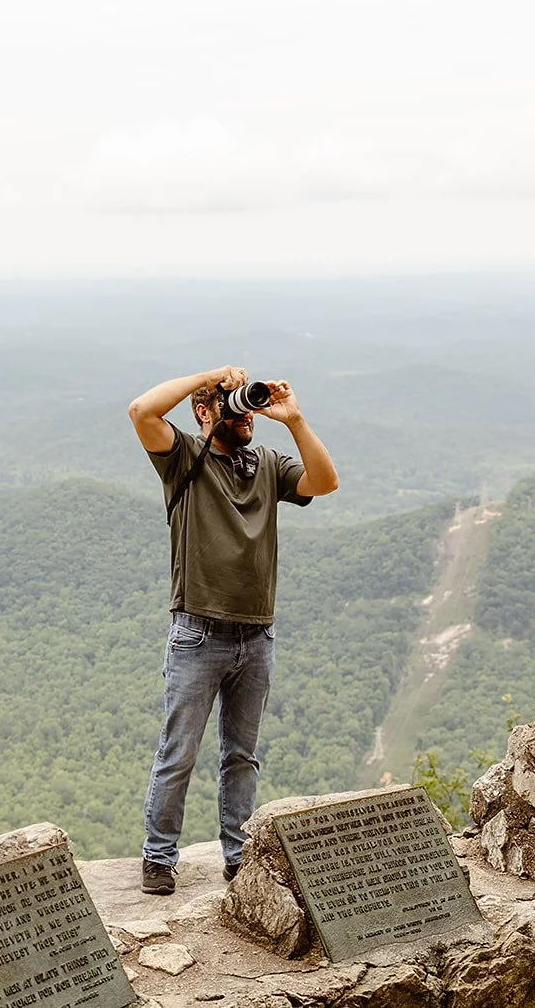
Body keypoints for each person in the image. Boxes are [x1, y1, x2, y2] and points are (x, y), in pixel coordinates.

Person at [127, 365, 339, 893]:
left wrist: (293, 420)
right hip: (197, 633)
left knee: (241, 756)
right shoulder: (183, 461)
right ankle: (158, 856)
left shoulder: (264, 463)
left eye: (246, 405)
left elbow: (325, 481)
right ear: (203, 412)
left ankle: (237, 856)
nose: (245, 414)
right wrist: (212, 378)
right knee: (180, 752)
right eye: (230, 404)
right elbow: (141, 411)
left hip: (257, 635)